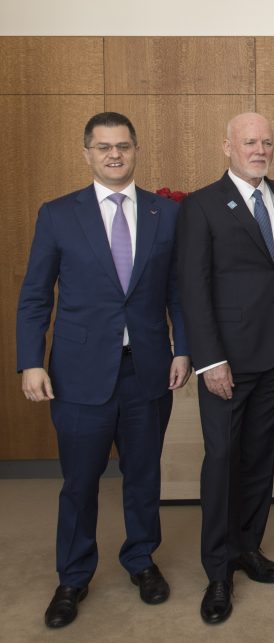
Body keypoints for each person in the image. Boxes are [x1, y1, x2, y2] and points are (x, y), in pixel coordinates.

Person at [16, 112, 190, 628]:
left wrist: (184, 348)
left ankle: (141, 560)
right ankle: (73, 576)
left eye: (123, 146)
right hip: (78, 374)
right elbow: (33, 297)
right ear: (86, 153)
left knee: (143, 476)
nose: (115, 155)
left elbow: (177, 290)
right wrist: (30, 361)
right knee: (80, 482)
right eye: (104, 147)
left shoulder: (165, 214)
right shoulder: (58, 214)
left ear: (136, 151)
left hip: (148, 371)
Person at [178, 112, 274, 624]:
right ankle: (218, 571)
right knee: (223, 461)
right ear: (226, 145)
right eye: (249, 142)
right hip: (226, 361)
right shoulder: (202, 205)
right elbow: (192, 287)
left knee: (260, 458)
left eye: (267, 142)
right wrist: (210, 359)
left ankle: (249, 547)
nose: (260, 150)